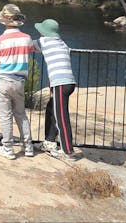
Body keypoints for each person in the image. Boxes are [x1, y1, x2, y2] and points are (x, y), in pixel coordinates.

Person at [0, 4, 35, 160]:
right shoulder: (27, 39)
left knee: (5, 116)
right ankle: (28, 147)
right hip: (19, 81)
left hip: (3, 80)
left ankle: (8, 148)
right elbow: (31, 51)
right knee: (21, 114)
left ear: (4, 21)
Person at [33, 18, 79, 161]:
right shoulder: (62, 44)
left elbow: (28, 45)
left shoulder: (45, 42)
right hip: (68, 82)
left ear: (44, 33)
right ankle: (49, 142)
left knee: (61, 117)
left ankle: (68, 151)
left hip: (60, 84)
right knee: (52, 109)